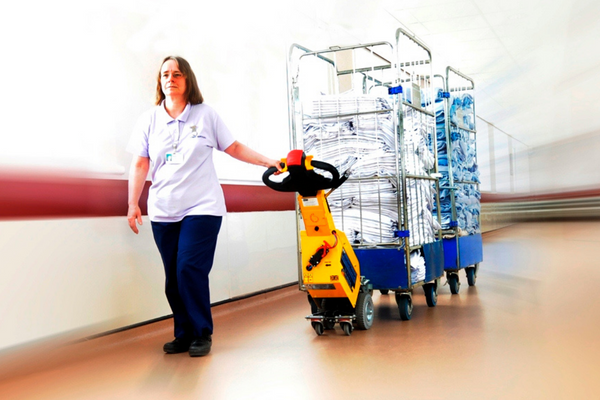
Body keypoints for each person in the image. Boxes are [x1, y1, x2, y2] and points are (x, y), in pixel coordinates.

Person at [127, 56, 281, 357]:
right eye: (165, 74)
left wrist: (269, 161)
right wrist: (133, 203)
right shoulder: (149, 120)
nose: (170, 79)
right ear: (160, 81)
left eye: (177, 74)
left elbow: (233, 147)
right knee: (173, 277)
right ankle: (183, 333)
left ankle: (201, 333)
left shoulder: (205, 115)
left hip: (202, 207)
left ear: (188, 80)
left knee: (189, 268)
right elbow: (140, 163)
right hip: (163, 209)